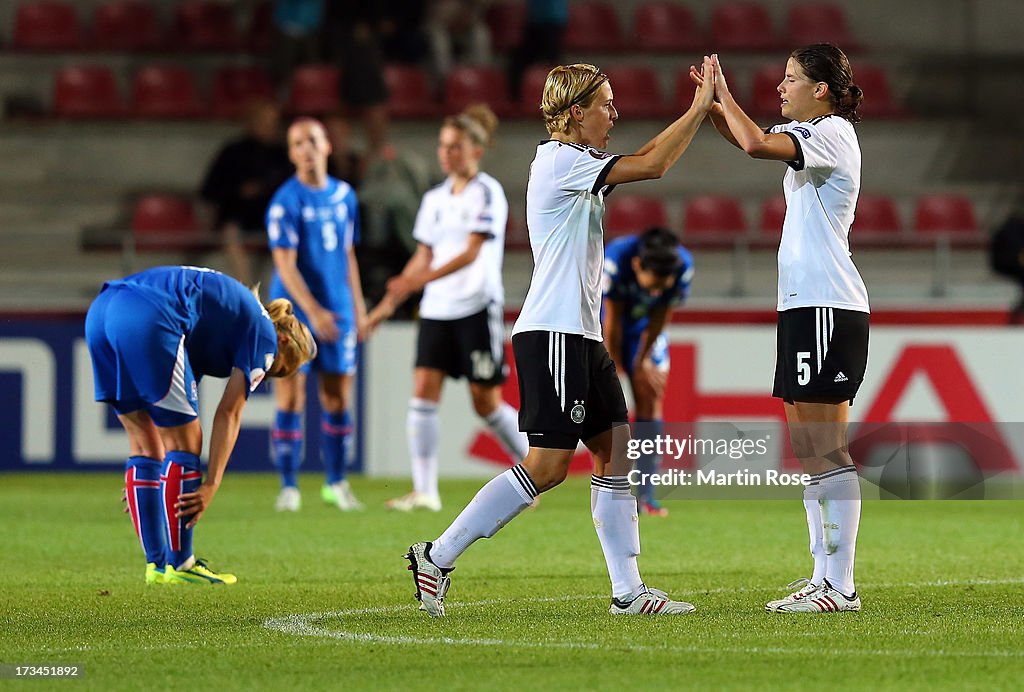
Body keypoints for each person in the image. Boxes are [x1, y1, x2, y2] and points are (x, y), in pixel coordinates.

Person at [404, 59, 716, 617]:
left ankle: (628, 592)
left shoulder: (578, 161)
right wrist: (698, 108)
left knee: (615, 454)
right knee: (547, 467)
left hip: (581, 335)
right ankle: (437, 555)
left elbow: (645, 161)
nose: (615, 113)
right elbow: (654, 164)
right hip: (554, 332)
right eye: (606, 104)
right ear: (575, 114)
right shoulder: (561, 162)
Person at [693, 46, 868, 613]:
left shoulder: (833, 132)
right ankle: (823, 577)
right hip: (801, 306)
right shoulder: (811, 131)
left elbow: (754, 143)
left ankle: (840, 585)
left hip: (827, 304)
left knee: (827, 449)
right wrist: (712, 107)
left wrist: (725, 98)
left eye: (791, 78)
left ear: (821, 89)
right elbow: (745, 137)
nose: (780, 87)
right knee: (808, 451)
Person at [85, 265, 316, 585]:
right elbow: (229, 413)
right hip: (152, 314)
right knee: (187, 442)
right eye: (279, 370)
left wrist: (150, 484)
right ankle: (181, 564)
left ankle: (157, 566)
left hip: (103, 310)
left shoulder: (227, 320)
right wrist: (212, 484)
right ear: (283, 339)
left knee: (144, 444)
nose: (271, 376)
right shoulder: (265, 335)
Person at [367, 103, 527, 512]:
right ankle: (425, 491)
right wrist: (386, 305)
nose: (447, 153)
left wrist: (416, 281)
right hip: (437, 309)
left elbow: (471, 252)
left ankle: (534, 472)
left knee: (485, 402)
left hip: (476, 306)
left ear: (476, 150)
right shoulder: (434, 199)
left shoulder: (486, 192)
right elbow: (422, 256)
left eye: (456, 146)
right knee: (423, 391)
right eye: (443, 146)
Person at [267, 117, 369, 512]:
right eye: (297, 143)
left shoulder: (345, 196)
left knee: (337, 400)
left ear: (327, 146)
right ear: (292, 154)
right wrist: (313, 314)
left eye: (312, 140)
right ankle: (289, 486)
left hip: (338, 310)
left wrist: (358, 308)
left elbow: (348, 254)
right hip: (293, 316)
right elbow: (285, 266)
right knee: (290, 399)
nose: (305, 148)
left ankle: (336, 483)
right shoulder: (285, 202)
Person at [602, 227, 694, 517]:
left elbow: (661, 317)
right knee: (607, 406)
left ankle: (647, 496)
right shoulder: (617, 256)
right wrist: (613, 367)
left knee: (650, 396)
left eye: (661, 287)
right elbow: (611, 319)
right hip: (605, 328)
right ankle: (610, 491)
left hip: (646, 332)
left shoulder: (682, 265)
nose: (655, 292)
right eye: (651, 285)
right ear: (637, 265)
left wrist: (642, 361)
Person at [198, 99, 293, 286]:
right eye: (262, 121)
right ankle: (247, 290)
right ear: (250, 122)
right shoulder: (232, 152)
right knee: (230, 231)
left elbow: (290, 189)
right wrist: (240, 191)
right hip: (238, 214)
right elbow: (212, 189)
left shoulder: (281, 154)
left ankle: (287, 290)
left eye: (272, 122)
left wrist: (265, 190)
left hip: (271, 214)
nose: (268, 127)